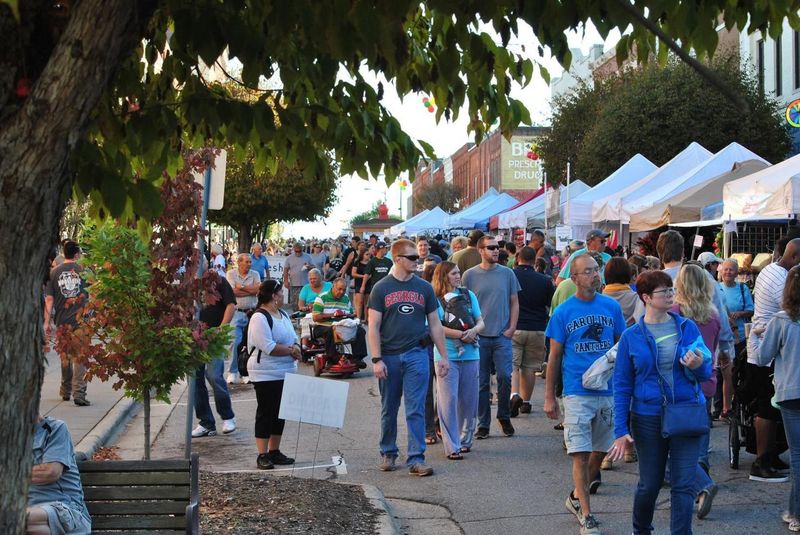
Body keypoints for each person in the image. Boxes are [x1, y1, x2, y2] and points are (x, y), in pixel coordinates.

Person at [609, 270, 713, 535]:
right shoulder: (631, 337)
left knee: (683, 484)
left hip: (685, 413)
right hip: (647, 418)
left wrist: (699, 366)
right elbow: (622, 387)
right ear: (646, 297)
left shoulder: (686, 327)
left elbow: (704, 372)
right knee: (650, 484)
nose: (670, 295)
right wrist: (621, 431)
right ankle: (641, 529)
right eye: (663, 291)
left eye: (671, 289)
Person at [544, 253, 626, 535]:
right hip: (576, 391)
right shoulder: (564, 312)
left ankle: (576, 496)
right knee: (579, 453)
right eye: (588, 271)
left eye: (596, 269)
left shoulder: (611, 307)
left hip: (607, 389)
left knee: (602, 450)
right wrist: (549, 397)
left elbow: (621, 348)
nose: (595, 275)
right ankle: (587, 514)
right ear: (575, 278)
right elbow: (554, 357)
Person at [368, 239, 450, 477]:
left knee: (416, 408)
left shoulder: (424, 288)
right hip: (389, 355)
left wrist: (443, 356)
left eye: (418, 257)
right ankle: (388, 452)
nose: (418, 261)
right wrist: (376, 359)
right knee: (389, 407)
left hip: (417, 353)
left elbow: (435, 324)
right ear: (398, 259)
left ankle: (416, 458)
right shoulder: (381, 288)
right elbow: (373, 326)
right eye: (412, 258)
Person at [747, 237, 800, 482]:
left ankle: (771, 455)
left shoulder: (770, 269)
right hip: (765, 352)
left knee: (773, 409)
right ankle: (761, 461)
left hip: (769, 348)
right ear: (795, 257)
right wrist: (758, 336)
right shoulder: (781, 279)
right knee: (767, 409)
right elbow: (791, 307)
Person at [671, 263, 720, 518]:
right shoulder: (713, 315)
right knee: (701, 440)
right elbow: (714, 349)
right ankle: (702, 485)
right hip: (707, 382)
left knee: (674, 443)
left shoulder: (674, 313)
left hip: (683, 385)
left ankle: (698, 487)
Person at [463, 235, 521, 439]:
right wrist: (469, 331)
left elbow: (514, 301)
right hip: (479, 337)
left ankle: (504, 416)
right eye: (491, 248)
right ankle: (483, 424)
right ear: (480, 250)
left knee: (505, 377)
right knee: (481, 382)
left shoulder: (507, 274)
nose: (496, 251)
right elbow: (464, 306)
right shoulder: (469, 276)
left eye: (497, 247)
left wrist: (512, 327)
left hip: (502, 335)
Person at [757, 265, 800, 531]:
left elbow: (763, 357)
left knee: (797, 455)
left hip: (790, 393)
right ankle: (794, 510)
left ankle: (797, 514)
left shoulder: (782, 320)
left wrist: (757, 334)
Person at [432, 261, 484, 458]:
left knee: (469, 400)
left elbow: (481, 321)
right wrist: (460, 335)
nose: (458, 276)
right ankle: (451, 445)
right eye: (454, 273)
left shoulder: (468, 296)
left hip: (471, 353)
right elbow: (435, 326)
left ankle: (465, 440)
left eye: (458, 272)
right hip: (447, 356)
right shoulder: (435, 299)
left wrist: (473, 331)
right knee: (448, 400)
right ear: (444, 276)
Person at [247, 280, 301, 470]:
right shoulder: (259, 318)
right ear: (273, 295)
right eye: (280, 291)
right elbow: (267, 346)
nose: (283, 293)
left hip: (285, 370)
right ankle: (262, 453)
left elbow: (294, 337)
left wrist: (297, 347)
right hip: (265, 373)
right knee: (266, 412)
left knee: (280, 412)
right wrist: (290, 351)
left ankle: (274, 451)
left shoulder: (283, 314)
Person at [598, 257, 643, 470]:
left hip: (603, 356)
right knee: (628, 401)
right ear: (629, 275)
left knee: (608, 404)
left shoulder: (598, 298)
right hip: (629, 354)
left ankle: (606, 454)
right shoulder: (635, 298)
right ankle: (628, 449)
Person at [26, 416, 91, 534]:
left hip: (67, 513)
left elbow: (50, 472)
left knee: (14, 519)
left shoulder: (55, 428)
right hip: (30, 512)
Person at [44, 240, 90, 406]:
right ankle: (79, 393)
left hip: (61, 320)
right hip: (81, 321)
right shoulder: (84, 271)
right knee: (80, 357)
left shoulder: (53, 273)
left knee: (65, 356)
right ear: (77, 254)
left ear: (63, 254)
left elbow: (49, 299)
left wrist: (46, 323)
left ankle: (66, 390)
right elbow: (94, 293)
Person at [192, 267, 237, 437]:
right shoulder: (188, 284)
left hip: (213, 336)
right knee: (195, 380)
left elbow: (231, 304)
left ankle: (227, 416)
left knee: (214, 375)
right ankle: (206, 422)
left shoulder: (218, 281)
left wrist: (222, 328)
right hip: (192, 338)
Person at [510, 246, 554, 417]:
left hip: (514, 327)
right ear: (535, 260)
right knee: (529, 367)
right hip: (537, 328)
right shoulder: (544, 280)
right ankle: (526, 402)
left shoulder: (510, 276)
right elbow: (550, 304)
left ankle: (514, 394)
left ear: (518, 258)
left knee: (513, 365)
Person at [718, 258, 753, 419]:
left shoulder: (742, 288)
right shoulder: (717, 288)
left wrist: (740, 314)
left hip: (740, 337)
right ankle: (720, 407)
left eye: (731, 269)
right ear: (720, 271)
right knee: (721, 373)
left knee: (736, 371)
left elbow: (751, 310)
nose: (728, 272)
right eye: (725, 269)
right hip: (722, 336)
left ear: (736, 272)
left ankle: (735, 404)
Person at [226, 253, 261, 384]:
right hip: (236, 312)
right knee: (234, 342)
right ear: (239, 262)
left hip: (252, 312)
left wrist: (241, 287)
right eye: (246, 262)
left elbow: (257, 290)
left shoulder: (255, 274)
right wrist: (249, 290)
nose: (249, 264)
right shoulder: (231, 274)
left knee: (250, 343)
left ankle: (245, 372)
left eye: (250, 262)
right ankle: (232, 371)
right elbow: (232, 292)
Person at [297, 268, 332, 349]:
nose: (312, 281)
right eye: (310, 279)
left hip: (325, 311)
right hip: (310, 312)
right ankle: (304, 345)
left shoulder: (329, 286)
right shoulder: (306, 288)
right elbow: (300, 306)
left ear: (321, 278)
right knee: (307, 318)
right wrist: (305, 308)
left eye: (314, 278)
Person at [360, 241, 393, 314]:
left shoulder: (389, 261)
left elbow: (393, 274)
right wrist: (363, 286)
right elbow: (366, 274)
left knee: (387, 305)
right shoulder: (372, 261)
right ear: (381, 249)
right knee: (375, 306)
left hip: (387, 288)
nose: (387, 250)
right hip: (375, 287)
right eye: (385, 248)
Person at [283, 243, 314, 311]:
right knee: (294, 302)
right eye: (296, 251)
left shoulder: (308, 257)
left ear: (302, 250)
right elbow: (285, 270)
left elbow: (314, 267)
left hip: (305, 284)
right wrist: (285, 281)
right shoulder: (289, 258)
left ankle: (304, 316)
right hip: (293, 284)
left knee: (305, 302)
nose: (298, 253)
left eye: (299, 251)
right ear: (293, 250)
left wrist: (309, 267)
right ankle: (295, 316)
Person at [351, 248, 372, 320]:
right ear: (362, 255)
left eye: (369, 254)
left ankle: (366, 319)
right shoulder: (357, 262)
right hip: (359, 283)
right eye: (366, 254)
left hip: (369, 284)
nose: (368, 256)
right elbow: (353, 273)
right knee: (359, 302)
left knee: (367, 303)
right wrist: (364, 276)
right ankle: (358, 319)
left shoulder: (371, 263)